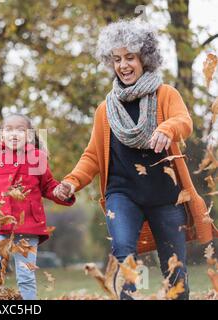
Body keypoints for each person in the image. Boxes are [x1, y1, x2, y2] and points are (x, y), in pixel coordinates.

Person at [53, 19, 218, 300]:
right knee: (123, 251)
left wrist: (167, 128)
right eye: (117, 59)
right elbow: (92, 155)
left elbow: (184, 122)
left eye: (130, 57)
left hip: (166, 197)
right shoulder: (106, 109)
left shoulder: (166, 94)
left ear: (145, 59)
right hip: (122, 194)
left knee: (175, 270)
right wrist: (71, 182)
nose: (123, 65)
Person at [0, 113, 75, 299]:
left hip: (27, 225)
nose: (14, 134)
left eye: (20, 130)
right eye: (9, 130)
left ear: (30, 135)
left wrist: (62, 192)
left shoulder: (37, 157)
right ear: (2, 135)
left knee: (26, 275)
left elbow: (48, 186)